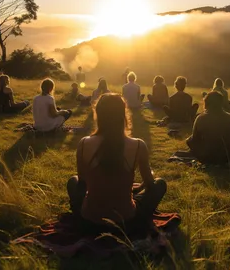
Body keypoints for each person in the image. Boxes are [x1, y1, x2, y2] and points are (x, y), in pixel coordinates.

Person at [67, 94, 166, 235]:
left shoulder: (84, 143)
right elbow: (150, 184)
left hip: (90, 219)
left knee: (73, 181)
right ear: (123, 115)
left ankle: (82, 215)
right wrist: (145, 181)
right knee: (160, 184)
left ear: (98, 115)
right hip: (126, 220)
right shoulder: (138, 145)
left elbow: (83, 183)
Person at [186, 91, 230, 164]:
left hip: (207, 157)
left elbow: (195, 139)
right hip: (229, 156)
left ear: (207, 103)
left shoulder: (200, 118)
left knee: (189, 140)